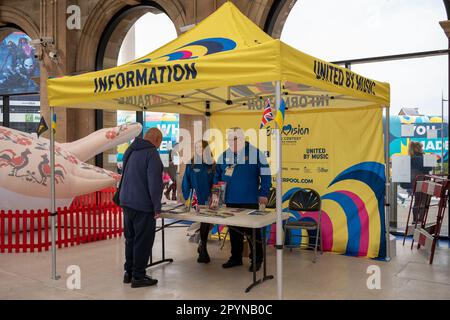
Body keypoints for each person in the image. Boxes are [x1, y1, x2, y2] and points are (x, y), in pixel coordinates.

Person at [214, 127, 271, 271]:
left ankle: (257, 259)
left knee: (252, 232)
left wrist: (263, 193)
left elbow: (265, 174)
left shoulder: (256, 153)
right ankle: (236, 258)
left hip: (249, 199)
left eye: (233, 139)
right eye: (228, 139)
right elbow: (217, 176)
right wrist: (215, 195)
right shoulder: (223, 155)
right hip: (230, 199)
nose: (230, 142)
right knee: (234, 231)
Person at [119, 127, 164, 288]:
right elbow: (155, 184)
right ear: (157, 140)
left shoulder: (130, 150)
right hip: (143, 205)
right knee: (143, 241)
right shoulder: (151, 153)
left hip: (126, 202)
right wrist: (157, 208)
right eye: (160, 142)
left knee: (130, 239)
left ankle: (129, 273)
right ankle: (138, 276)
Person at [182, 140, 215, 263]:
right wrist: (187, 199)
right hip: (196, 201)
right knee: (203, 223)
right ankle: (203, 248)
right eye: (197, 147)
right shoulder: (191, 164)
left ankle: (202, 246)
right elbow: (186, 183)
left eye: (201, 147)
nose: (199, 149)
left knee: (206, 224)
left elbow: (215, 183)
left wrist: (216, 199)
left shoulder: (212, 164)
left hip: (209, 201)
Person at [407, 141, 432, 223]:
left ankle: (415, 220)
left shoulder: (410, 158)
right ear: (417, 148)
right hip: (423, 181)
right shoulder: (422, 158)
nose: (422, 149)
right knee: (424, 202)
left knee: (416, 201)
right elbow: (428, 169)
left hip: (414, 183)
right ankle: (420, 220)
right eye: (421, 147)